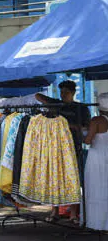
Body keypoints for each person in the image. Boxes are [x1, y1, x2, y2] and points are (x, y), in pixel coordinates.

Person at [36, 80, 90, 224]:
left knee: (73, 180)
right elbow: (38, 96)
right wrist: (52, 101)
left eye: (66, 92)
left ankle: (73, 213)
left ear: (73, 93)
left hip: (74, 147)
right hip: (56, 148)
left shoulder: (81, 108)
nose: (63, 95)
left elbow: (86, 127)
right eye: (61, 92)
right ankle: (55, 210)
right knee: (55, 179)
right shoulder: (56, 105)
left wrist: (67, 126)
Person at [84, 93, 108, 231]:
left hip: (97, 158)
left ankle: (96, 223)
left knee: (95, 188)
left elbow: (88, 140)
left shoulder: (97, 120)